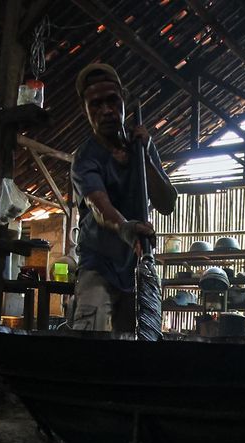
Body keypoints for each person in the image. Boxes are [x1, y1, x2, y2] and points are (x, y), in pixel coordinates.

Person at [69, 63, 178, 333]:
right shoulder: (85, 158)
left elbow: (167, 203)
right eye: (95, 104)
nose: (105, 110)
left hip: (135, 265)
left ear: (123, 103)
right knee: (89, 332)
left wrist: (145, 157)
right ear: (85, 110)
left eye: (112, 101)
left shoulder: (142, 147)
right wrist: (126, 228)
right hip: (99, 261)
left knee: (133, 343)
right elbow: (98, 206)